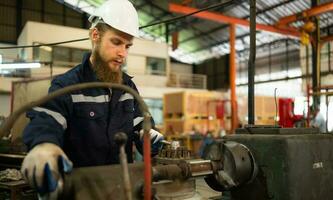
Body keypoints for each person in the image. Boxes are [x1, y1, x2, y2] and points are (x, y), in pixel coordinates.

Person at [20, 0, 164, 198]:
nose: (123, 53)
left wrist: (149, 135)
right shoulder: (68, 85)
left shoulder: (127, 88)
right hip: (81, 191)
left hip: (122, 189)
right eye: (116, 42)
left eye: (128, 46)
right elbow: (47, 120)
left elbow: (140, 123)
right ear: (95, 35)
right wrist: (44, 145)